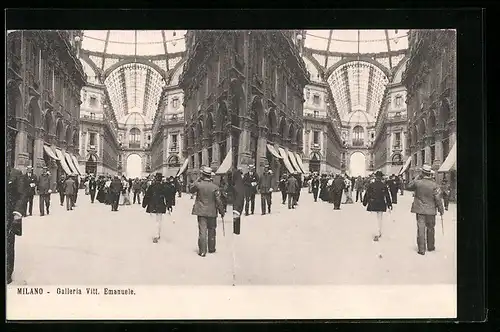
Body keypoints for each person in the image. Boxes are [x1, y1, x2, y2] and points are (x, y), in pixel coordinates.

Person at [406, 165, 445, 255]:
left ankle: (421, 249)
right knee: (431, 228)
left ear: (422, 173)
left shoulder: (418, 183)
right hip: (431, 210)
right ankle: (431, 247)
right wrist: (441, 209)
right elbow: (438, 199)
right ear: (430, 174)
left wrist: (417, 177)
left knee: (421, 228)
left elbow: (408, 186)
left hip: (420, 210)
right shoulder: (435, 185)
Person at [190, 166, 225, 257]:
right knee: (212, 230)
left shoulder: (199, 185)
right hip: (212, 211)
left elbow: (191, 189)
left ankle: (202, 251)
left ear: (202, 175)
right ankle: (212, 248)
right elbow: (218, 201)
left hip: (201, 211)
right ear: (210, 176)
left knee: (202, 231)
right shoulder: (215, 187)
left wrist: (198, 179)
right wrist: (222, 211)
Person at [143, 173, 174, 243]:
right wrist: (169, 206)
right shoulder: (164, 186)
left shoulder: (151, 186)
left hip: (152, 205)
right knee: (159, 220)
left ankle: (155, 235)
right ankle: (158, 234)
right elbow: (168, 197)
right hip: (161, 205)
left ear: (155, 179)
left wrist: (144, 204)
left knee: (154, 221)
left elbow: (147, 196)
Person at [7, 166, 25, 284]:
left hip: (8, 215)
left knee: (8, 244)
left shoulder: (15, 173)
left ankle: (7, 273)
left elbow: (22, 194)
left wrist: (17, 212)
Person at [363, 171, 393, 242]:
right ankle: (379, 231)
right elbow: (387, 195)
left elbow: (367, 194)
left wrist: (365, 202)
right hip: (381, 203)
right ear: (381, 177)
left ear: (375, 177)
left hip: (373, 203)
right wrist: (389, 204)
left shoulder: (371, 185)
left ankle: (376, 233)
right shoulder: (384, 185)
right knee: (380, 219)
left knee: (374, 219)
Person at [232, 168, 245, 235]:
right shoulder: (240, 184)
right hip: (239, 202)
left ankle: (236, 231)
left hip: (236, 203)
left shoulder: (236, 185)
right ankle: (237, 231)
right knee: (237, 216)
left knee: (235, 216)